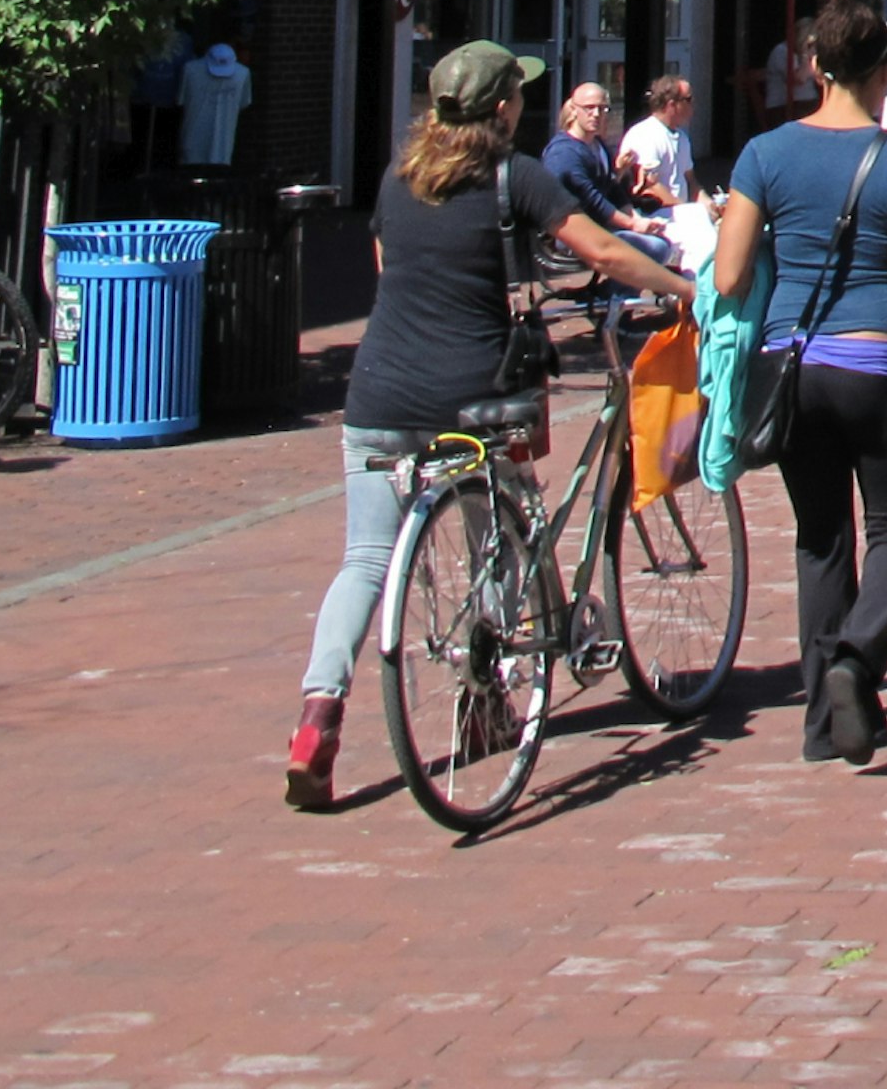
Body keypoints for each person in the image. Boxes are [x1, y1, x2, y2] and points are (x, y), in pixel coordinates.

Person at [286, 40, 690, 810]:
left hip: (377, 394)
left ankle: (317, 714)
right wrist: (682, 286)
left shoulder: (399, 179)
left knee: (366, 560)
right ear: (504, 107)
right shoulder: (516, 177)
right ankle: (488, 700)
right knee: (499, 539)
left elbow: (386, 264)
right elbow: (600, 249)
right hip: (469, 395)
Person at [712, 0, 887, 765]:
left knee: (820, 539)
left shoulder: (764, 154)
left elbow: (729, 273)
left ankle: (819, 728)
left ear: (812, 65)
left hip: (792, 367)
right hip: (877, 363)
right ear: (884, 72)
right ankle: (858, 657)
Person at [545, 80, 678, 265]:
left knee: (672, 232)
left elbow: (613, 190)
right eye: (589, 108)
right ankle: (615, 294)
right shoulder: (564, 153)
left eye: (602, 108)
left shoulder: (598, 146)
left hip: (602, 226)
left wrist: (636, 218)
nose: (596, 114)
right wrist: (633, 225)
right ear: (574, 110)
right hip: (572, 234)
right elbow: (593, 201)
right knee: (654, 248)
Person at [620, 76, 701, 206]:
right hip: (655, 216)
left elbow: (690, 179)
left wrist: (708, 204)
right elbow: (650, 186)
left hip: (680, 213)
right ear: (672, 105)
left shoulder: (682, 138)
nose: (693, 105)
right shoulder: (645, 134)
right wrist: (686, 211)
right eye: (689, 100)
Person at [179, 29, 252, 170]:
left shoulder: (243, 74)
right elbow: (244, 103)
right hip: (197, 142)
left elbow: (180, 100)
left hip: (221, 145)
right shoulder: (190, 69)